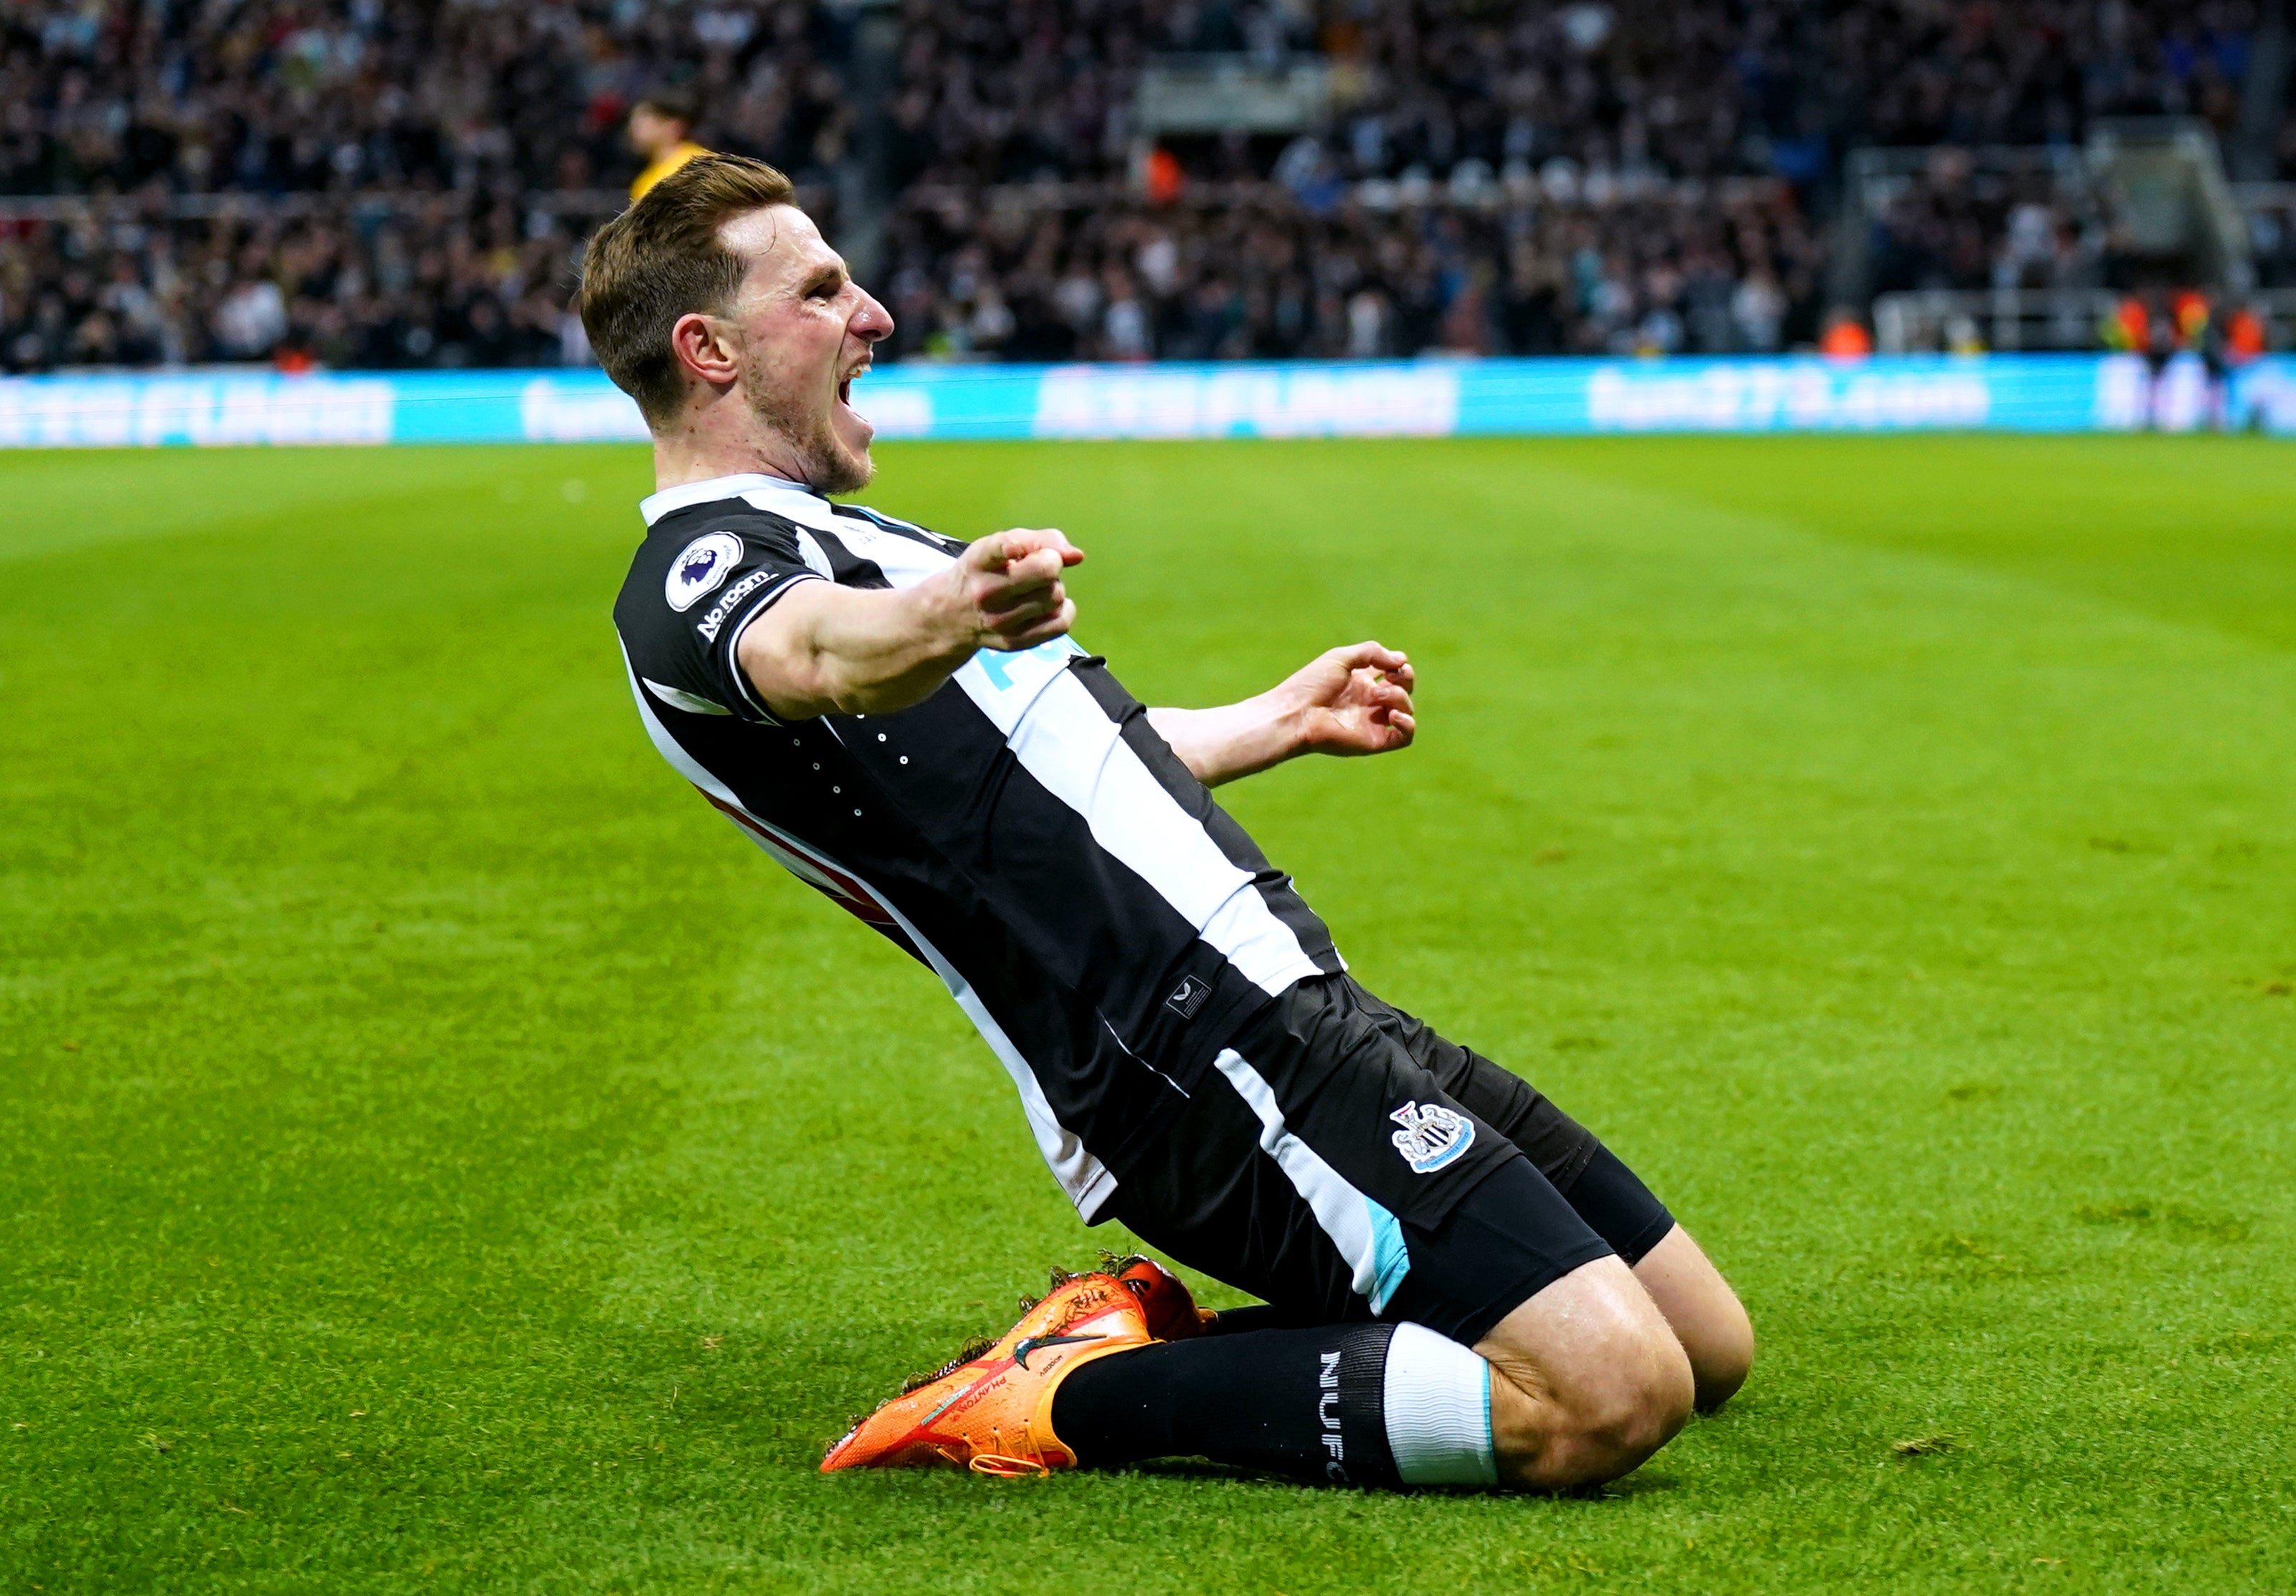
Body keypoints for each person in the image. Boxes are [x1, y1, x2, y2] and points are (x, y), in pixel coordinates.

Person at [583, 155, 1753, 1493]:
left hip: (1300, 998)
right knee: (1612, 1396)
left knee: (1706, 1346)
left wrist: (1274, 720)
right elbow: (826, 656)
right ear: (708, 349)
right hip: (1192, 1055)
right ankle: (1076, 1391)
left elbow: (1070, 775)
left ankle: (1188, 1343)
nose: (877, 313)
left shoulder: (854, 535)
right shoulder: (699, 571)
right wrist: (951, 614)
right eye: (823, 288)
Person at [627, 87, 713, 204]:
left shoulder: (698, 165)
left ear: (674, 126)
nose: (633, 130)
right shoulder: (643, 181)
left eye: (643, 122)